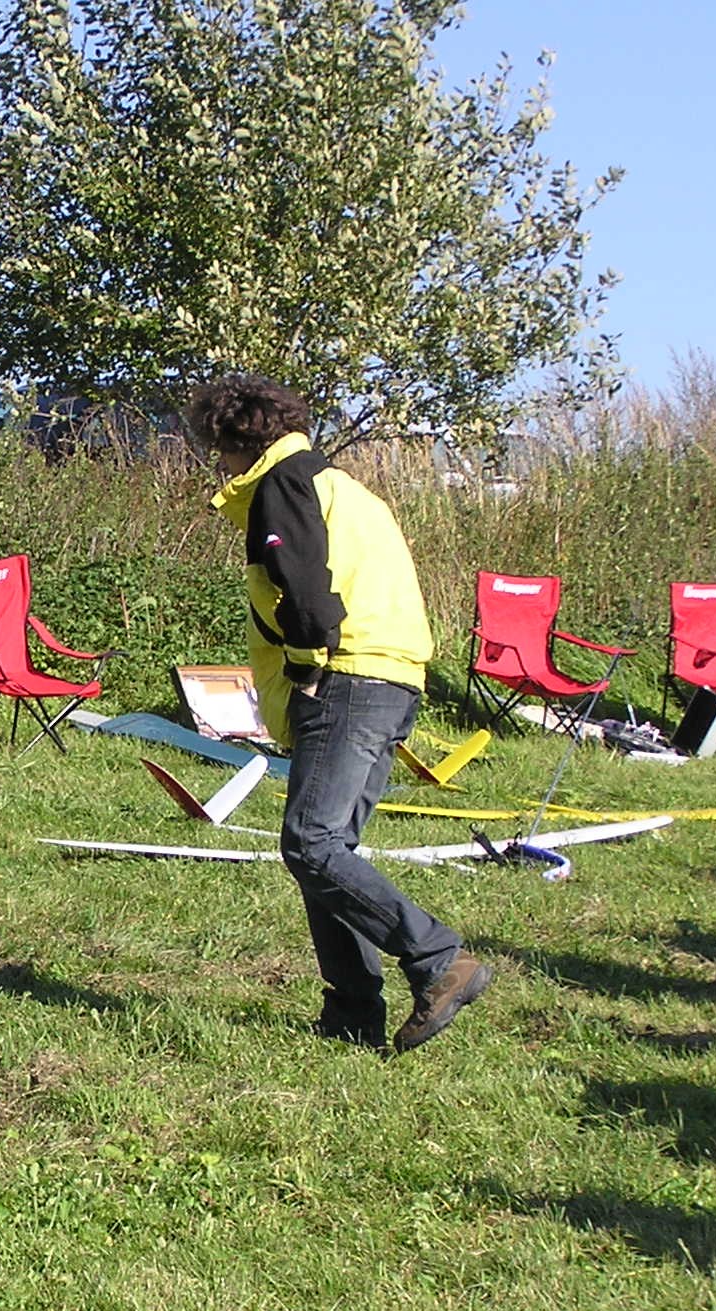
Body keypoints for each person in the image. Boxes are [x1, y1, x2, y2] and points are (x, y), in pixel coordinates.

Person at [186, 374, 490, 1054]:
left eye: (219, 449)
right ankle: (352, 1014)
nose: (220, 464)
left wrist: (304, 666)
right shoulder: (345, 488)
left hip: (348, 676)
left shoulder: (283, 484)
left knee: (311, 844)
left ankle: (438, 959)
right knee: (328, 852)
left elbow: (309, 595)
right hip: (395, 676)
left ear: (237, 440)